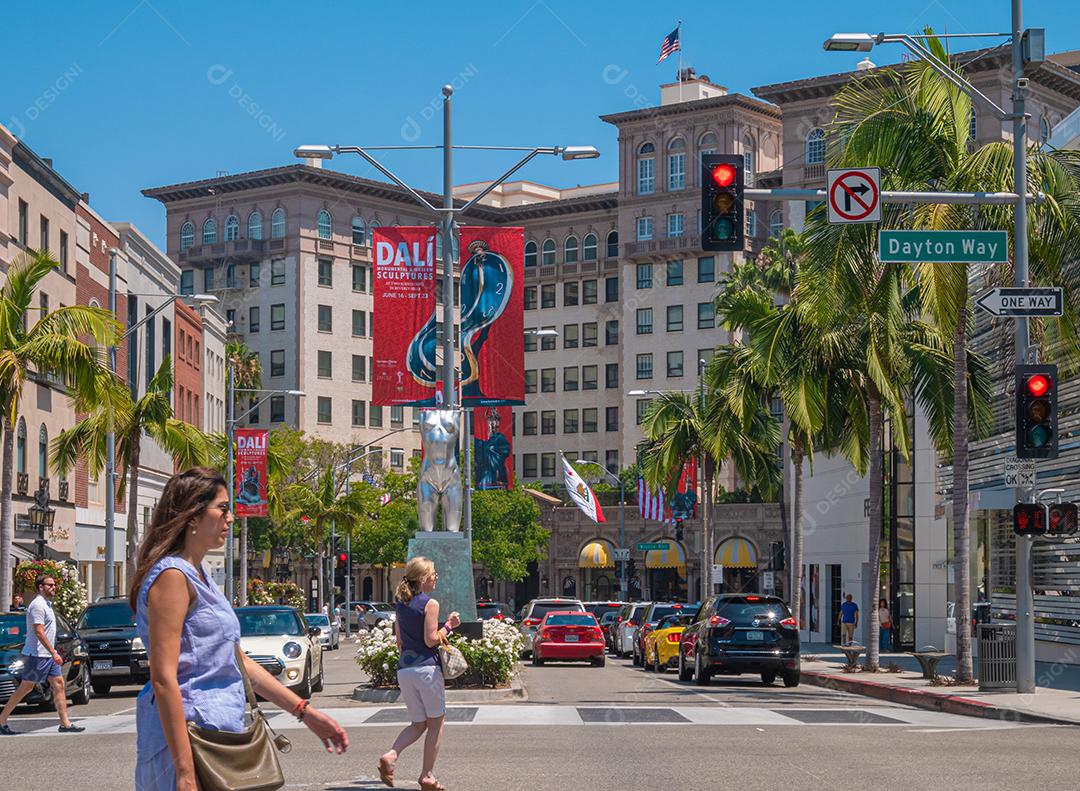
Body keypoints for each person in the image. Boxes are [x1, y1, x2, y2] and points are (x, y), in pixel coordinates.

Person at [130, 467, 348, 790]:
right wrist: (185, 772)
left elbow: (237, 661)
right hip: (187, 741)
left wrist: (303, 711)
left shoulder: (199, 573)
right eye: (223, 508)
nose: (230, 518)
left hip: (217, 736)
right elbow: (163, 678)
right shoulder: (172, 577)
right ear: (192, 516)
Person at [378, 557, 461, 791]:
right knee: (436, 722)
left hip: (405, 669)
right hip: (426, 668)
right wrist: (449, 626)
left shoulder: (401, 604)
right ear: (424, 578)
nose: (436, 577)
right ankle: (427, 775)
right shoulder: (430, 604)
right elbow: (431, 639)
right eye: (433, 574)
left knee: (418, 723)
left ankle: (392, 755)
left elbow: (399, 642)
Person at [0, 574, 85, 735]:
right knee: (25, 688)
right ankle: (2, 719)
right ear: (40, 587)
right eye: (50, 585)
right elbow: (38, 632)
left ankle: (65, 723)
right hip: (37, 655)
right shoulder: (37, 605)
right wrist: (54, 652)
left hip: (47, 655)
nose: (53, 587)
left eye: (54, 585)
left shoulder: (47, 604)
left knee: (59, 684)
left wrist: (52, 653)